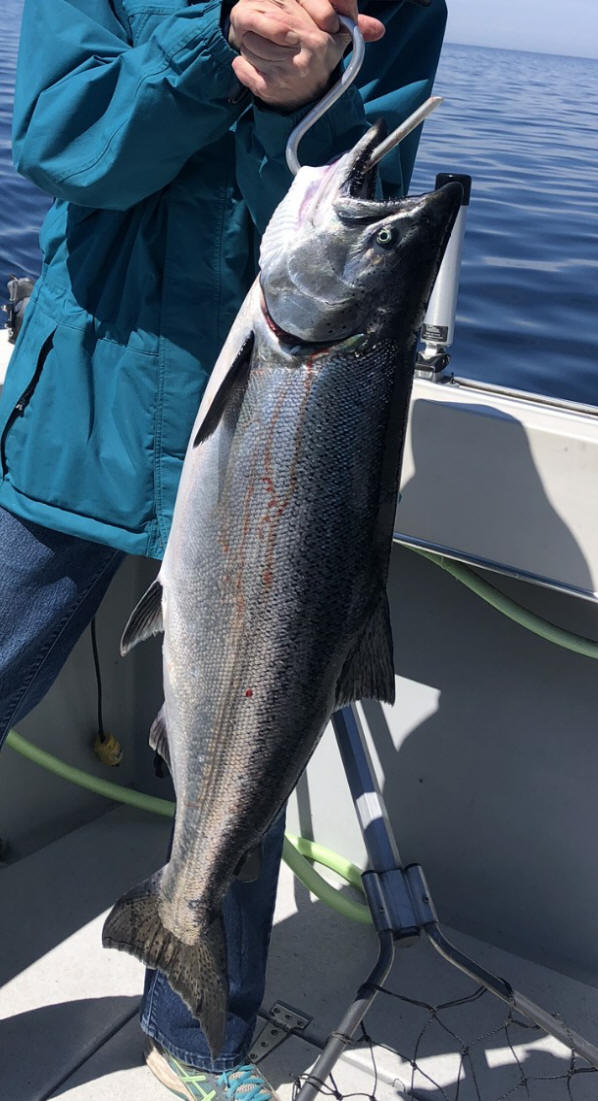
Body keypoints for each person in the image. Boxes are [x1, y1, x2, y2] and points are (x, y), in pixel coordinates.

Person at [0, 0, 448, 1096]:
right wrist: (215, 47)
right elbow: (64, 145)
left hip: (276, 427)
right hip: (89, 405)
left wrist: (304, 106)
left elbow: (360, 203)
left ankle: (202, 1036)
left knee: (253, 717)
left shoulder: (394, 5)